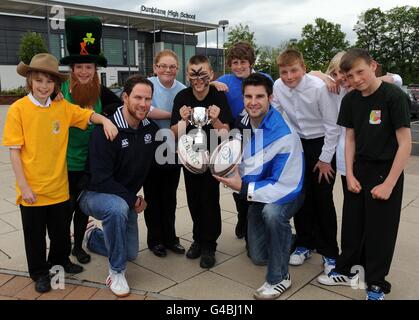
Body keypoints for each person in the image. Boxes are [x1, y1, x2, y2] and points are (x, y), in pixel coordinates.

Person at [2, 53, 118, 293]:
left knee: (60, 234)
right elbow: (14, 153)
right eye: (39, 80)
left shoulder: (62, 107)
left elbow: (86, 115)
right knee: (35, 236)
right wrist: (24, 187)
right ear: (30, 81)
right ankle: (39, 272)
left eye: (49, 81)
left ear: (56, 84)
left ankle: (59, 262)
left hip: (58, 187)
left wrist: (105, 122)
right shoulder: (18, 109)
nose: (44, 86)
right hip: (32, 189)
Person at [317, 48, 412, 300]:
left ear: (373, 66)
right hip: (358, 168)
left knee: (380, 229)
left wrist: (390, 183)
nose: (356, 79)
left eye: (360, 71)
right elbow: (349, 138)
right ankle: (346, 270)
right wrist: (350, 173)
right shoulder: (350, 100)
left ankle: (376, 282)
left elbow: (405, 143)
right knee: (353, 223)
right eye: (350, 75)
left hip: (385, 171)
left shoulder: (393, 96)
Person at [215, 73, 305, 300]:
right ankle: (289, 240)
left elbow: (286, 184)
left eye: (259, 96)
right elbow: (246, 158)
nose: (252, 101)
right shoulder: (244, 120)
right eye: (248, 96)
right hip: (261, 188)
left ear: (270, 98)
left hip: (289, 189)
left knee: (273, 214)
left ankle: (280, 278)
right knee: (257, 256)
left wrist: (243, 187)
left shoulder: (283, 133)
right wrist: (226, 165)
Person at [78, 75, 158, 297]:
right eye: (138, 97)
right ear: (125, 97)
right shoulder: (106, 130)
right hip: (93, 193)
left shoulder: (149, 130)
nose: (143, 104)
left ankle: (92, 237)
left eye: (148, 99)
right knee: (117, 208)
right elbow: (101, 179)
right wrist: (133, 200)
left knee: (131, 252)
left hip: (123, 196)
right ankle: (116, 272)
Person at [60, 16, 122, 264]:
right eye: (79, 67)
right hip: (64, 161)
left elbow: (121, 104)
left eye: (89, 67)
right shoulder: (59, 91)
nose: (84, 71)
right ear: (72, 70)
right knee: (64, 209)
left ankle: (79, 246)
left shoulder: (100, 91)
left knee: (82, 208)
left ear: (95, 70)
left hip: (89, 162)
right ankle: (61, 248)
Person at [272, 48, 340, 275]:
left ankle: (330, 252)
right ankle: (304, 244)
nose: (289, 76)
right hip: (298, 144)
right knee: (301, 197)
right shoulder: (278, 86)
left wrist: (325, 159)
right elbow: (275, 114)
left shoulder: (320, 88)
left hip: (322, 143)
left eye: (294, 70)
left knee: (323, 199)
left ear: (304, 68)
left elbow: (333, 127)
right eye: (284, 72)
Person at [170, 55, 232, 269]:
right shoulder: (182, 97)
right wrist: (182, 121)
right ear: (187, 75)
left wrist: (215, 119)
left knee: (210, 200)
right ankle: (198, 238)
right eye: (192, 73)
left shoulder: (218, 96)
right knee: (194, 199)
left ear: (211, 75)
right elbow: (173, 134)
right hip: (190, 157)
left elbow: (225, 134)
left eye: (202, 73)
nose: (197, 79)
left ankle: (209, 245)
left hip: (212, 157)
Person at [212, 41, 273, 242]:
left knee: (258, 178)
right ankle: (242, 217)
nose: (239, 66)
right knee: (238, 180)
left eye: (243, 62)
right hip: (237, 137)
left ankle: (256, 220)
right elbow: (203, 85)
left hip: (259, 135)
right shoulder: (227, 80)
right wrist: (214, 84)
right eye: (235, 62)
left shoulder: (263, 78)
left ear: (251, 62)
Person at [143, 49, 186, 257]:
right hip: (150, 146)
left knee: (169, 197)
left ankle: (171, 238)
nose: (167, 70)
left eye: (172, 66)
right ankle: (155, 240)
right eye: (163, 66)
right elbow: (146, 109)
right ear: (155, 68)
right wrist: (174, 114)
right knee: (152, 196)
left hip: (173, 148)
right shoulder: (148, 85)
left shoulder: (182, 89)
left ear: (177, 69)